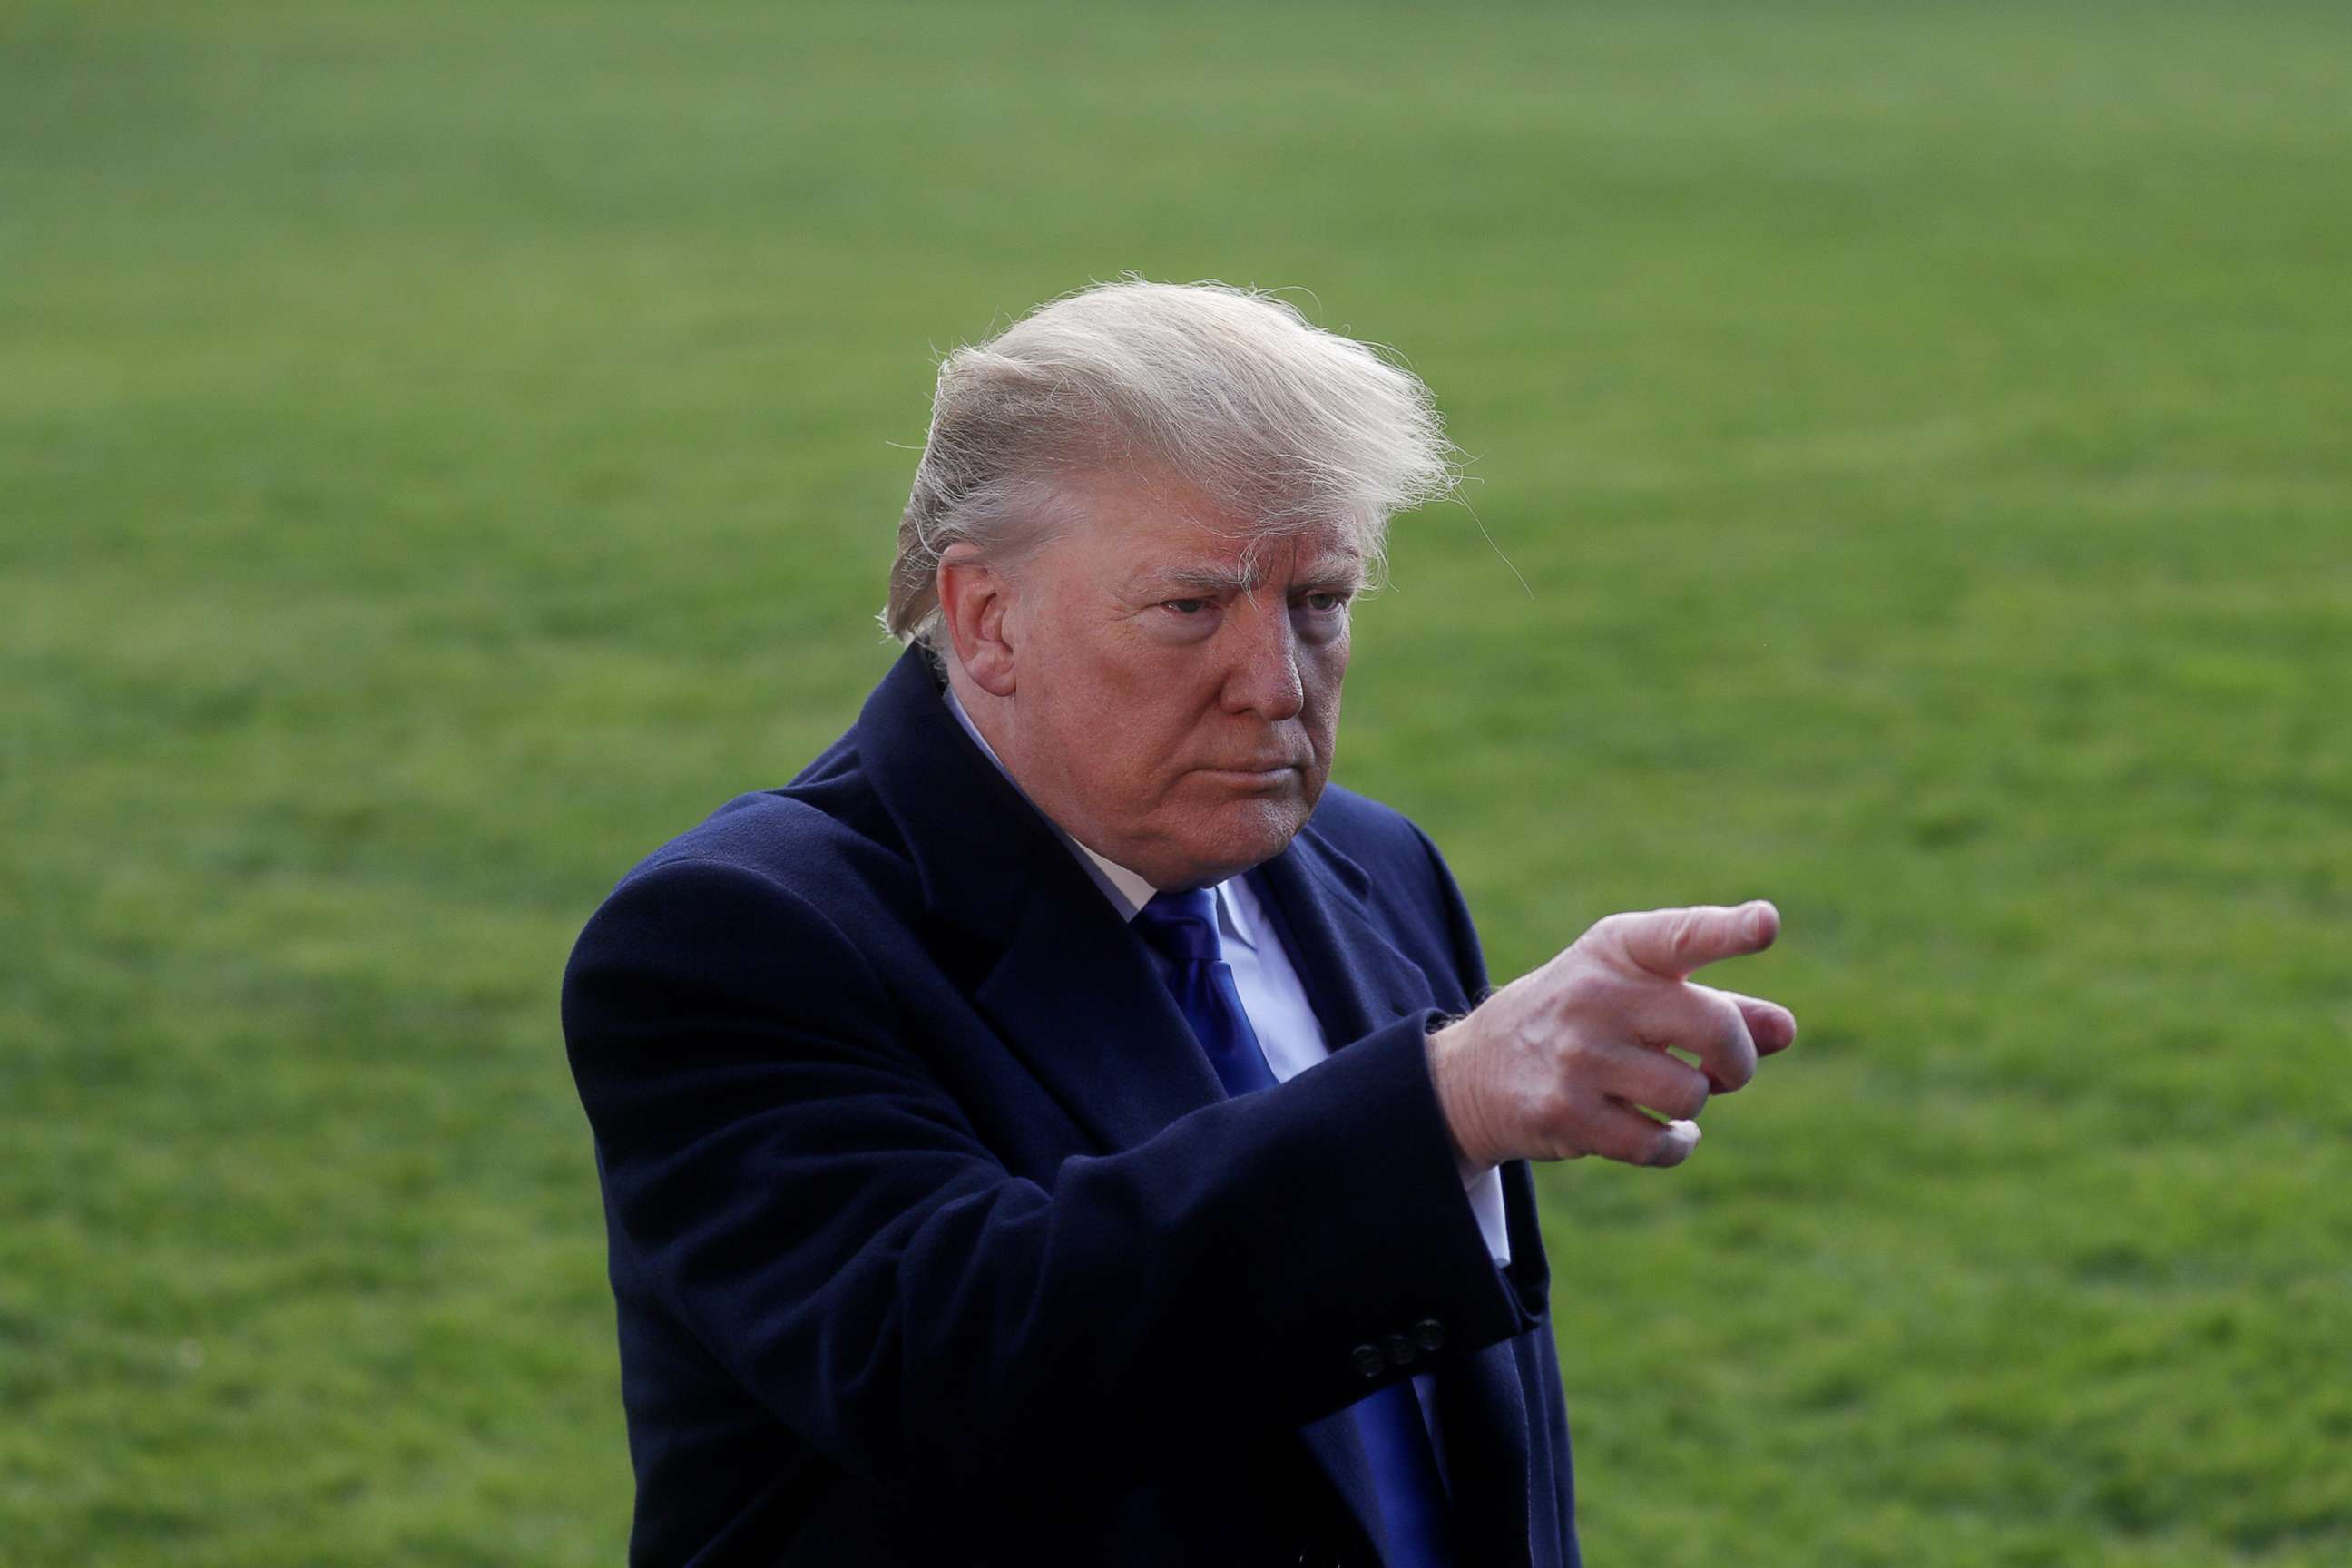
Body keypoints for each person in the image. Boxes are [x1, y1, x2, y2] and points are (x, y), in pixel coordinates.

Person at [561, 280, 1798, 1567]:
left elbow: (1472, 1439)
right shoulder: (734, 939)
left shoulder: (1377, 867)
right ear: (988, 619)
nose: (1273, 687)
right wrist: (1437, 1109)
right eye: (1191, 608)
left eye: (1319, 600)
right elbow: (959, 1371)